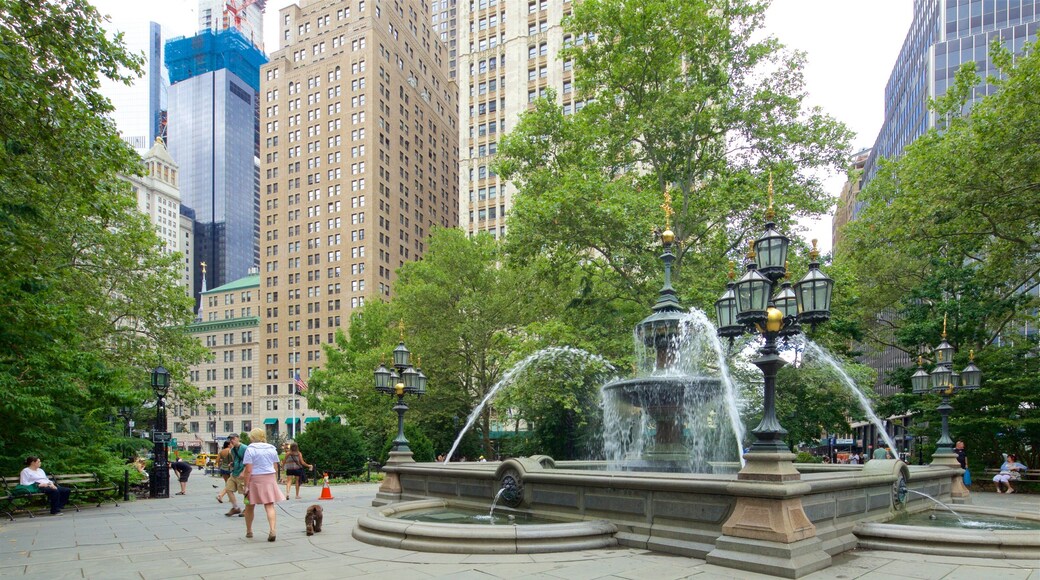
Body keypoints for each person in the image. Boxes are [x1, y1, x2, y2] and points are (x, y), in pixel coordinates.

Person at [242, 427, 282, 541]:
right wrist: (274, 479)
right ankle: (272, 529)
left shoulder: (250, 449)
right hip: (269, 477)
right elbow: (275, 466)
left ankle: (249, 530)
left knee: (249, 506)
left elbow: (248, 469)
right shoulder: (271, 448)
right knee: (269, 505)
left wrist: (246, 485)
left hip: (255, 478)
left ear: (252, 438)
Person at [222, 434, 247, 516]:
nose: (232, 440)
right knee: (229, 489)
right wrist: (232, 464)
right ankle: (235, 508)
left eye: (233, 438)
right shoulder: (232, 450)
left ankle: (247, 509)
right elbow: (236, 459)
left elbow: (249, 462)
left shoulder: (244, 448)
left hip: (242, 473)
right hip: (235, 473)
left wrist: (244, 471)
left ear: (238, 438)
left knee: (245, 492)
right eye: (230, 439)